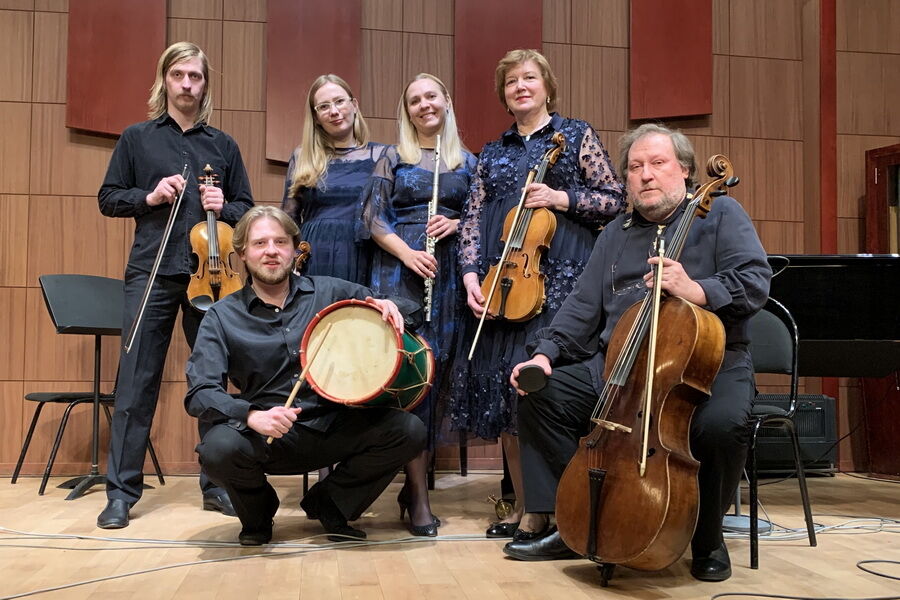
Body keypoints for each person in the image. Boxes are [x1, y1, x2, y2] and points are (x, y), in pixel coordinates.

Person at [505, 123, 772, 582]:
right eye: (635, 167)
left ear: (684, 170)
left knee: (721, 426)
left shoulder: (721, 213)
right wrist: (545, 354)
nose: (645, 174)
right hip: (622, 365)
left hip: (707, 364)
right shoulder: (615, 232)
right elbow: (582, 306)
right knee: (541, 395)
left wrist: (696, 289)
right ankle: (576, 520)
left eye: (657, 163)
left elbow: (754, 280)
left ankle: (707, 538)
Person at [448, 49, 625, 540]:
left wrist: (560, 197)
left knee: (541, 389)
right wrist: (470, 276)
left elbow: (615, 200)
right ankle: (526, 504)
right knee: (505, 395)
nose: (520, 86)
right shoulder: (493, 152)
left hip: (563, 280)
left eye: (529, 78)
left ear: (547, 86)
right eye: (511, 82)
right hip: (504, 284)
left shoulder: (576, 135)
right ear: (503, 95)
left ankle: (561, 508)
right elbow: (473, 218)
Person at [184, 206, 426, 545]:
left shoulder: (330, 292)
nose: (271, 251)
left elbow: (408, 310)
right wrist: (251, 416)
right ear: (242, 253)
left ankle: (331, 502)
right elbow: (200, 392)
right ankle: (258, 513)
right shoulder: (222, 316)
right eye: (260, 243)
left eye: (280, 242)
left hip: (335, 424)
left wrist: (390, 305)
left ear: (295, 249)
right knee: (217, 450)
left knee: (409, 430)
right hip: (269, 435)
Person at [97, 42, 253, 529]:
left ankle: (217, 484)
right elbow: (108, 198)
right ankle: (121, 492)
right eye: (179, 74)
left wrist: (225, 205)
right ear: (164, 79)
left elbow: (246, 209)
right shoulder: (136, 138)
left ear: (205, 85)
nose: (187, 84)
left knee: (211, 381)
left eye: (196, 76)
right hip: (153, 272)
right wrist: (150, 196)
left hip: (213, 277)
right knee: (135, 382)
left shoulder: (223, 145)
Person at [360, 74, 477, 536]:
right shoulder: (393, 157)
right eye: (414, 100)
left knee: (439, 376)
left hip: (450, 276)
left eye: (431, 96)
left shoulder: (468, 161)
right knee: (412, 377)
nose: (424, 105)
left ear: (446, 101)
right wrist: (407, 253)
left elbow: (483, 219)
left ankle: (415, 487)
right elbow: (373, 218)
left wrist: (458, 223)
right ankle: (419, 498)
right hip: (400, 271)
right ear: (406, 111)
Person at [282, 74, 386, 285]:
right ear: (316, 117)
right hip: (314, 255)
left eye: (339, 101)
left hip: (363, 253)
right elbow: (288, 218)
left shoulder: (383, 156)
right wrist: (289, 260)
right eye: (324, 106)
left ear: (354, 105)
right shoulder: (302, 157)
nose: (334, 111)